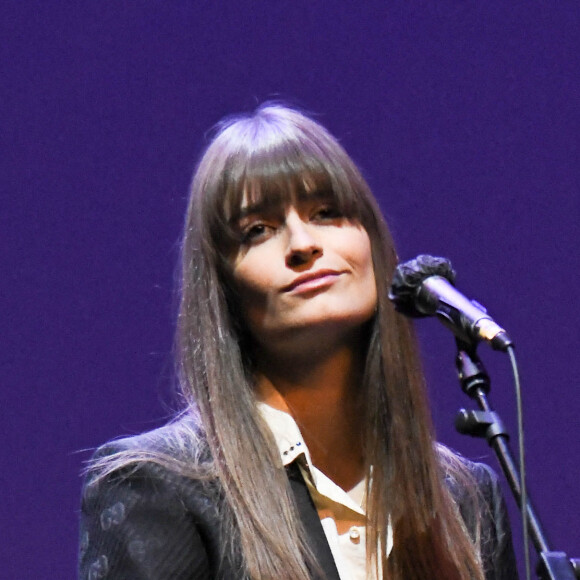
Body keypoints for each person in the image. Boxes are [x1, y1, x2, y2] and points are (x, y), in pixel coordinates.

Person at [79, 104, 518, 580]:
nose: (303, 243)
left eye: (327, 213)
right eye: (258, 231)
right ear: (224, 289)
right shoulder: (160, 485)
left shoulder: (466, 500)